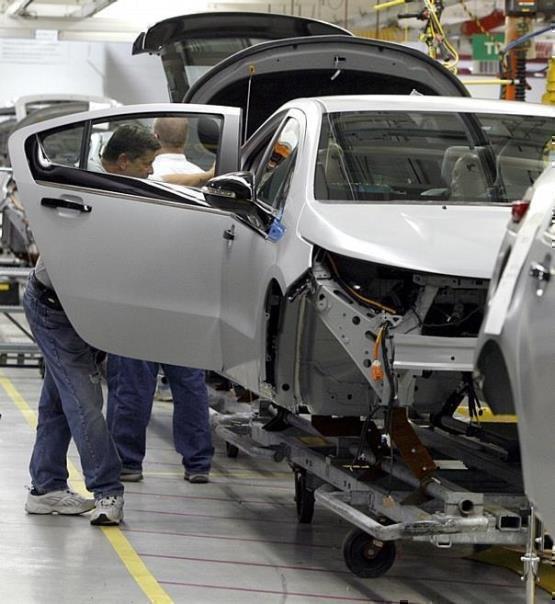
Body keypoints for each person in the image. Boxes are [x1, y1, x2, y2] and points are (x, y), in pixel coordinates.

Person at [105, 118, 214, 484]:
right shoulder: (202, 177)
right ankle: (198, 463)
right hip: (186, 297)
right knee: (189, 384)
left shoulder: (133, 176)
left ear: (155, 137)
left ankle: (128, 461)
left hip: (138, 298)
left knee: (132, 384)